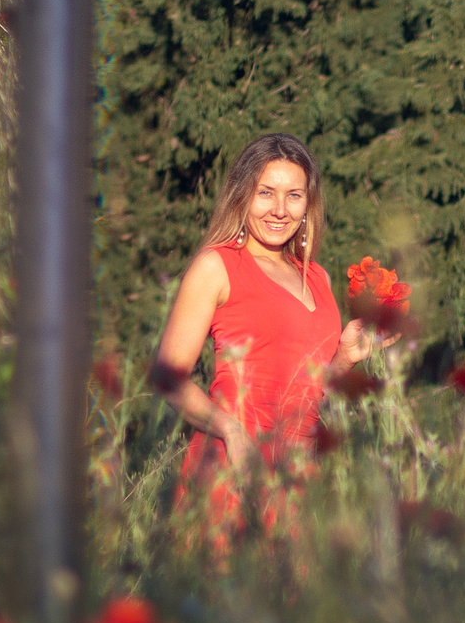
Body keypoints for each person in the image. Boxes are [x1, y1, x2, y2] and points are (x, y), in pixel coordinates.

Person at [150, 132, 381, 532]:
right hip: (235, 468)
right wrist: (229, 429)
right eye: (265, 193)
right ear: (242, 196)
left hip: (300, 478)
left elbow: (314, 394)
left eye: (294, 195)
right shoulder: (217, 265)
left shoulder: (319, 279)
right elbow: (167, 378)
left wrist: (344, 358)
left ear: (309, 204)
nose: (279, 209)